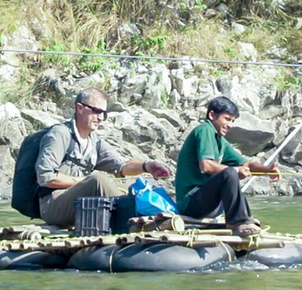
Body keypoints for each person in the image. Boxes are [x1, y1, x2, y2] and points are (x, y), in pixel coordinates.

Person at [35, 88, 172, 228]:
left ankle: (144, 215)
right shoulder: (60, 135)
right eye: (96, 111)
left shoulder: (94, 142)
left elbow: (122, 166)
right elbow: (45, 177)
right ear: (80, 108)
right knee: (97, 180)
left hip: (82, 204)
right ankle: (135, 221)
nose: (100, 118)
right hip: (52, 205)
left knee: (127, 187)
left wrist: (146, 166)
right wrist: (84, 182)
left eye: (103, 113)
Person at [174, 96, 279, 237]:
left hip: (207, 203)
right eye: (227, 119)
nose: (230, 125)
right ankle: (237, 222)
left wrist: (268, 171)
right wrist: (235, 171)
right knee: (230, 173)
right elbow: (206, 165)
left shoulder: (220, 141)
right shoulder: (204, 130)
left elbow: (246, 164)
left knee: (231, 174)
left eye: (232, 121)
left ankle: (244, 219)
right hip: (190, 203)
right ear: (212, 115)